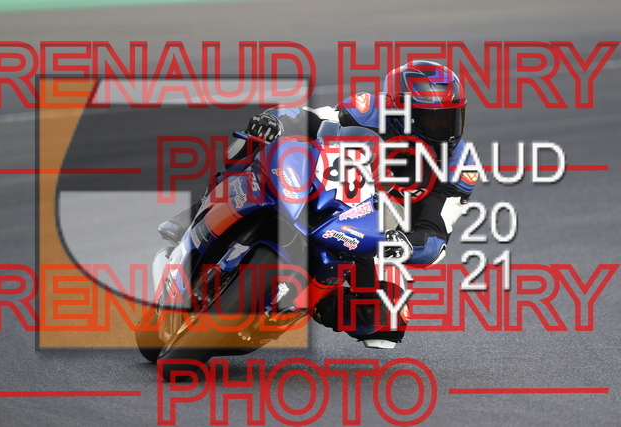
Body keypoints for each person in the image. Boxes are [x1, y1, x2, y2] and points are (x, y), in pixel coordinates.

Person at [158, 60, 476, 348]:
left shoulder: (460, 164)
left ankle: (309, 301)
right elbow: (310, 117)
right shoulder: (368, 108)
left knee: (383, 322)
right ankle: (193, 215)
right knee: (257, 139)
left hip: (380, 230)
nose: (445, 131)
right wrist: (275, 120)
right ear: (398, 108)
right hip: (332, 186)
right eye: (432, 120)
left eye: (451, 119)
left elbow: (436, 236)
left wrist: (402, 244)